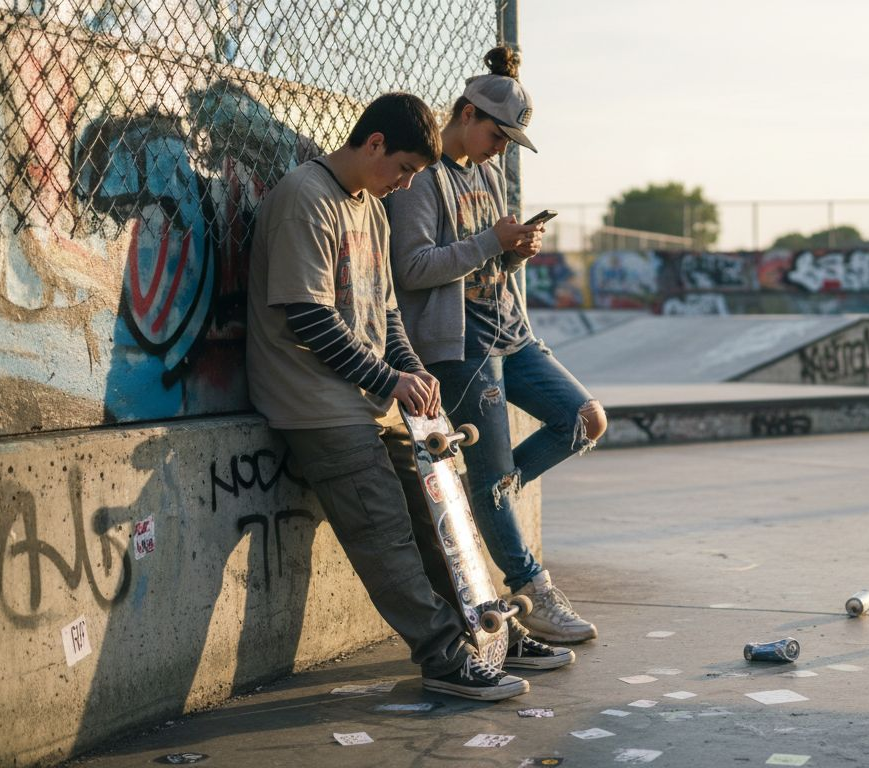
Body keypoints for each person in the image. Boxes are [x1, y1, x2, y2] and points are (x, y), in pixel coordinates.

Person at [245, 92, 570, 703]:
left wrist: (413, 373)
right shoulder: (304, 199)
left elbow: (387, 309)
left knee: (441, 518)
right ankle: (447, 659)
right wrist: (388, 380)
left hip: (365, 397)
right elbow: (306, 317)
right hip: (314, 403)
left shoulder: (369, 205)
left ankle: (490, 628)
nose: (404, 185)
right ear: (373, 144)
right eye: (404, 170)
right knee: (386, 532)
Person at [385, 48, 606, 644]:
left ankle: (493, 492)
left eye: (510, 141)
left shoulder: (485, 172)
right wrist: (491, 242)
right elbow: (410, 268)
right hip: (459, 344)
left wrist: (512, 250)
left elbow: (487, 254)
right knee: (490, 474)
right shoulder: (421, 177)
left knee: (584, 419)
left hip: (512, 331)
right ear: (464, 113)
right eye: (496, 135)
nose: (500, 149)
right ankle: (531, 587)